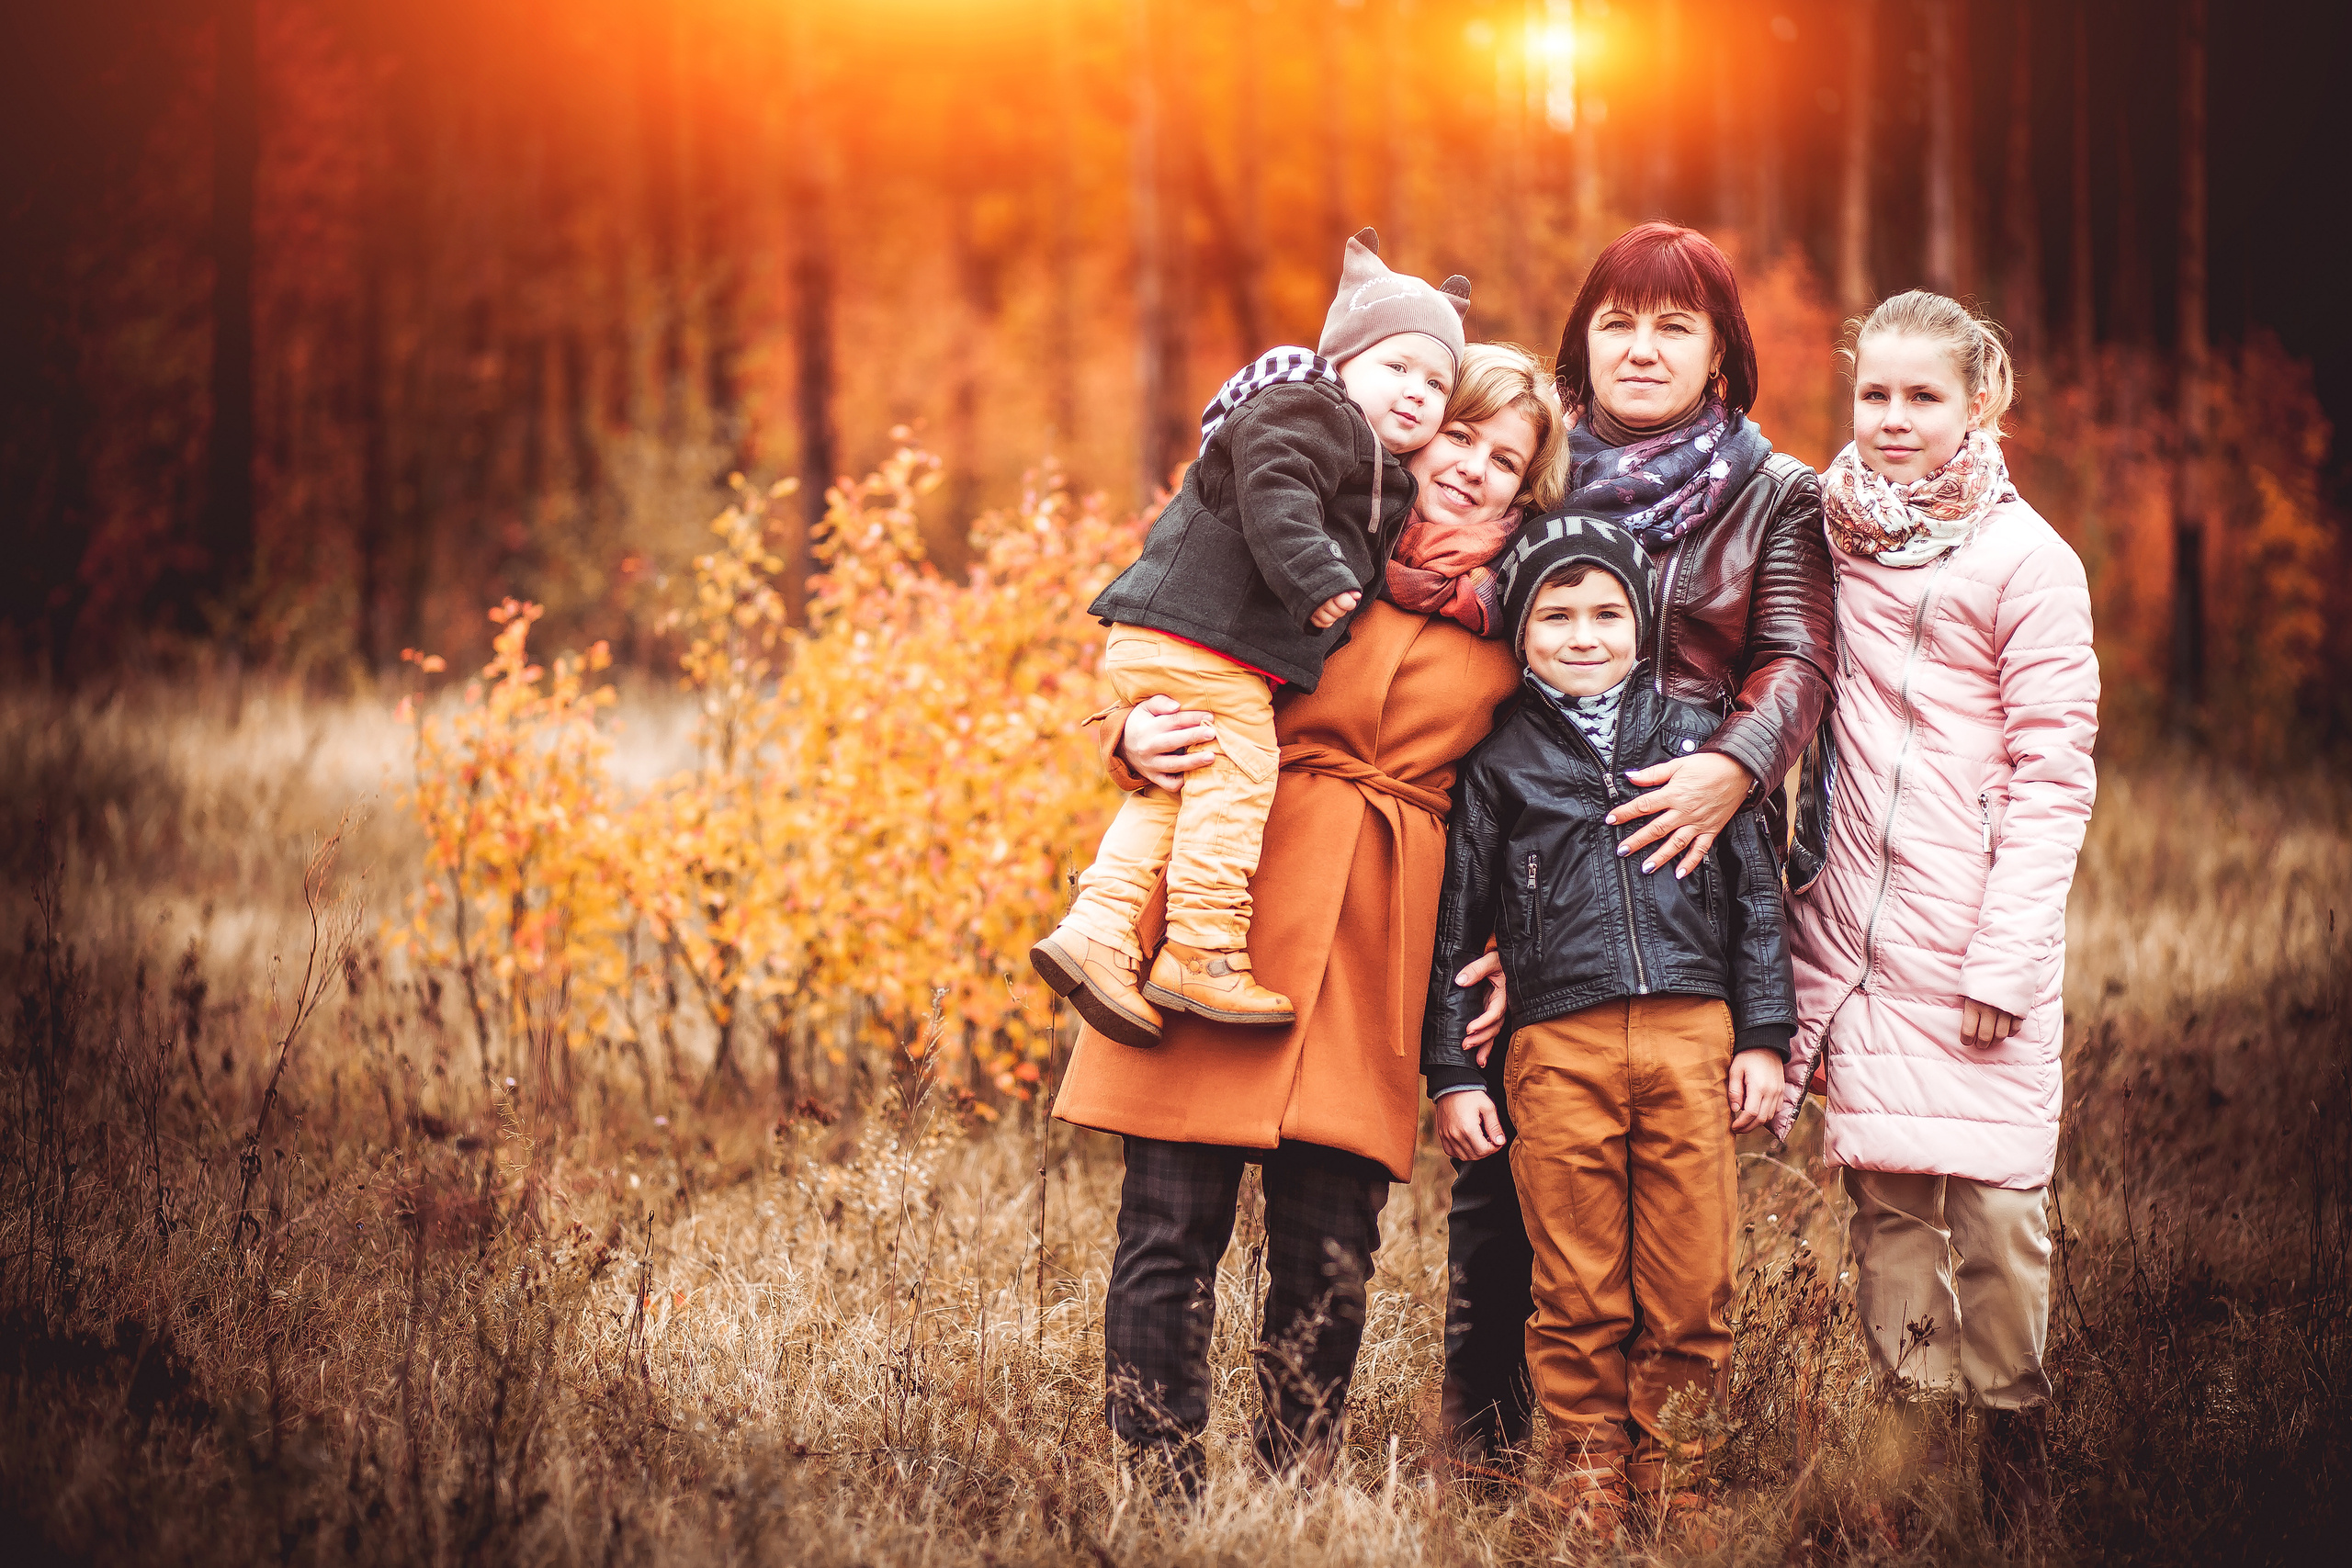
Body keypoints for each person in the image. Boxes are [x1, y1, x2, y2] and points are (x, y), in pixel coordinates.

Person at [1051, 344, 1568, 1493]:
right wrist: (1124, 740)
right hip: (1226, 904)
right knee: (1168, 1227)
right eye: (1460, 439)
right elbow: (1158, 651)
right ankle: (1158, 1491)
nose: (1474, 471)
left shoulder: (1526, 610)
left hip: (1382, 928)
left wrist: (1511, 933)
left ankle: (1294, 1492)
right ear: (1410, 430)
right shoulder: (1295, 539)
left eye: (1505, 459)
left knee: (1330, 1245)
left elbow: (1546, 786)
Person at [1434, 222, 1837, 1466]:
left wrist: (1733, 765)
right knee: (1511, 1185)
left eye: (1675, 323)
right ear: (1580, 342)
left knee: (1675, 1205)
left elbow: (1798, 657)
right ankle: (1499, 1456)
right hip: (1532, 851)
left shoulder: (1776, 492)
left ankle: (1672, 1458)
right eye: (1618, 320)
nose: (1643, 346)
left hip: (1688, 865)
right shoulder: (1533, 470)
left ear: (1721, 351)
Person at [1770, 292, 2096, 1536]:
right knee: (1890, 1202)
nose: (1894, 419)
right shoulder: (1831, 531)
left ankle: (2012, 1455)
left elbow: (2057, 773)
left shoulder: (2031, 561)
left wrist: (2007, 955)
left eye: (1923, 396)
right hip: (1856, 935)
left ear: (1980, 403)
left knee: (2000, 1207)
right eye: (1875, 394)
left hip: (1974, 940)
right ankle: (1906, 1456)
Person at [1422, 517, 1795, 1523]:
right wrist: (1454, 1074)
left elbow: (1756, 897)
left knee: (1692, 1280)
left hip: (1691, 1040)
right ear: (1520, 632)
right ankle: (1587, 1468)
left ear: (1642, 626)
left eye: (1604, 614)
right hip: (1554, 1049)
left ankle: (1679, 1473)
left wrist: (1763, 1036)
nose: (1581, 635)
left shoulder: (1696, 742)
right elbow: (1458, 920)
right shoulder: (1497, 762)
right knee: (1577, 1282)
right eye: (1555, 616)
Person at [1030, 230, 1473, 1043]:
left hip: (1180, 639)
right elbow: (1275, 484)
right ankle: (1200, 946)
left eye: (1437, 382)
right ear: (1342, 360)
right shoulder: (1312, 409)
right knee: (1238, 773)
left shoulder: (1375, 470)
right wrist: (1313, 576)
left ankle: (1097, 925)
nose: (1416, 393)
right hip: (1206, 637)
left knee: (1182, 788)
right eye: (1396, 367)